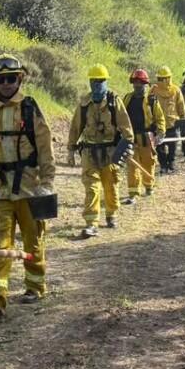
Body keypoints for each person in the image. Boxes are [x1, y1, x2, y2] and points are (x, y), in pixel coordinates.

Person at [0, 55, 55, 321]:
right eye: (0, 79)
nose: (6, 84)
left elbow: (45, 147)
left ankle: (35, 285)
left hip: (30, 189)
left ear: (19, 79)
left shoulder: (30, 109)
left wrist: (47, 183)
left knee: (34, 238)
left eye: (11, 78)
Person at [67, 64, 133, 238]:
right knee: (92, 188)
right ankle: (91, 223)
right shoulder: (84, 104)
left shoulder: (114, 101)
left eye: (101, 81)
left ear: (106, 81)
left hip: (110, 152)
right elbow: (75, 128)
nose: (97, 84)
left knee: (111, 186)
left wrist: (127, 146)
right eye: (94, 81)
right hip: (89, 152)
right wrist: (71, 150)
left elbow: (126, 126)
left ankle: (112, 215)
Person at [123, 69, 166, 201]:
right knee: (132, 165)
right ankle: (133, 193)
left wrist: (160, 133)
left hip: (147, 138)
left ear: (145, 84)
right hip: (131, 138)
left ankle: (148, 186)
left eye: (140, 83)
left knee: (148, 163)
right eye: (135, 82)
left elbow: (160, 119)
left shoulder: (151, 100)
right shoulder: (127, 98)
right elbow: (121, 116)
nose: (137, 85)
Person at [150, 66, 185, 174]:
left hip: (173, 124)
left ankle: (171, 163)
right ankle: (163, 165)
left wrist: (183, 118)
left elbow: (181, 105)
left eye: (165, 78)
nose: (163, 81)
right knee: (159, 148)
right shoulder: (153, 90)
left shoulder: (176, 90)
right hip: (158, 125)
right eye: (161, 78)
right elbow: (147, 105)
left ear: (169, 78)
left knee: (173, 147)